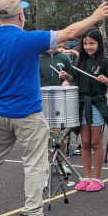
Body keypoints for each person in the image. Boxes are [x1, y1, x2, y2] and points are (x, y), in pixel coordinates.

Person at [0, 0, 108, 216]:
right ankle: (32, 215)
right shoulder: (28, 39)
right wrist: (95, 17)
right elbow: (69, 32)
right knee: (35, 163)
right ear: (20, 17)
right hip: (26, 113)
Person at [59, 28, 108, 192]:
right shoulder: (79, 61)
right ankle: (86, 177)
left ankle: (97, 179)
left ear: (99, 44)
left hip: (96, 106)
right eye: (85, 43)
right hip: (83, 105)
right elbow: (72, 78)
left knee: (95, 143)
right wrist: (65, 76)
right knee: (84, 143)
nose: (88, 46)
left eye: (92, 43)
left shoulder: (105, 62)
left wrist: (105, 80)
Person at [39, 25, 73, 173]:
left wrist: (67, 80)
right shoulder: (37, 57)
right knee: (43, 134)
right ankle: (45, 165)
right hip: (42, 101)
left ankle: (62, 164)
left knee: (61, 135)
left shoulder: (64, 57)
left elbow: (72, 77)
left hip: (60, 102)